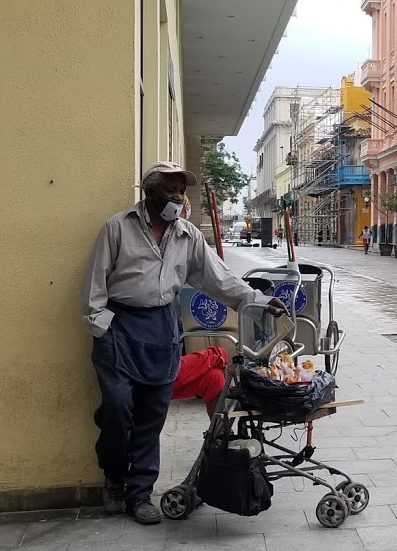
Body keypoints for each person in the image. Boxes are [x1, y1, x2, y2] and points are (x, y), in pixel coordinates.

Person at [83, 161, 286, 524]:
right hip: (121, 325)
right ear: (150, 192)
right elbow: (95, 283)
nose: (178, 197)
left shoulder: (188, 235)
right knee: (116, 409)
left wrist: (257, 300)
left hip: (162, 326)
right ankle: (114, 477)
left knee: (152, 416)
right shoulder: (118, 227)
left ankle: (139, 494)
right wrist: (104, 328)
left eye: (181, 191)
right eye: (171, 190)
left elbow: (219, 280)